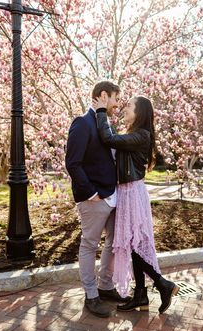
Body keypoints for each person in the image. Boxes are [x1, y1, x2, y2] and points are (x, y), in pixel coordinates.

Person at [93, 95, 180, 314]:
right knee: (132, 244)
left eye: (129, 106)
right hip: (127, 191)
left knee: (133, 244)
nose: (125, 108)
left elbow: (109, 139)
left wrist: (101, 112)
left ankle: (162, 283)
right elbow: (113, 139)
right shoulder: (134, 134)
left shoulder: (142, 135)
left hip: (132, 192)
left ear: (140, 112)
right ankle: (140, 294)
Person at [65, 81, 130, 318]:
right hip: (94, 199)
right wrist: (91, 193)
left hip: (114, 197)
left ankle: (105, 286)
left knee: (114, 243)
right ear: (103, 96)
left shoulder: (105, 124)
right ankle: (91, 295)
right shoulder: (82, 123)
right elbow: (73, 163)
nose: (117, 104)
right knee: (89, 245)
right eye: (116, 98)